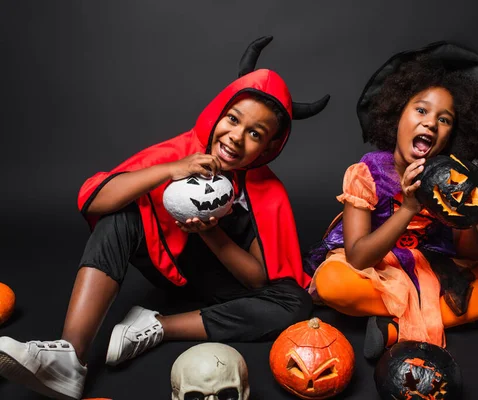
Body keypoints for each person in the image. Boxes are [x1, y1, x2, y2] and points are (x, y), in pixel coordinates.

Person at [0, 36, 329, 400]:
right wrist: (171, 169)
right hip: (167, 260)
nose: (236, 137)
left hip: (220, 279)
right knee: (120, 212)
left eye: (255, 134)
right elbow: (95, 200)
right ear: (220, 112)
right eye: (233, 120)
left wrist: (211, 232)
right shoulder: (181, 152)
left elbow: (257, 279)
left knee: (294, 304)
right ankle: (70, 357)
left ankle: (157, 326)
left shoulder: (267, 191)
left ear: (269, 147)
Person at [303, 41, 478, 361]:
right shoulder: (366, 173)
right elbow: (357, 257)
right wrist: (409, 207)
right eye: (421, 110)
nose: (430, 123)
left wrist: (470, 217)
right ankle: (454, 317)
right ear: (398, 116)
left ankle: (391, 328)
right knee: (332, 284)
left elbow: (473, 256)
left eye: (444, 119)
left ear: (451, 135)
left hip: (430, 268)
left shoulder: (453, 180)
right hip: (376, 269)